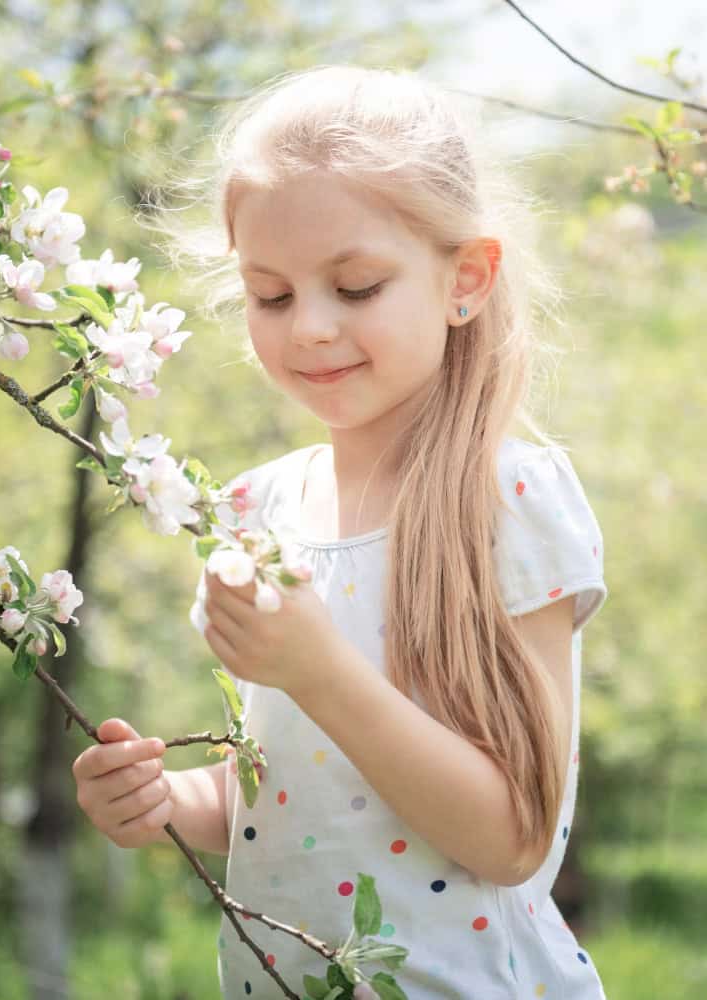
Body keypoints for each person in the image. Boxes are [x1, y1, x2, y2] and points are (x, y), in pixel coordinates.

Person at [73, 65, 609, 999]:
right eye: (271, 296)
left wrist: (318, 669)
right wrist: (168, 803)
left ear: (466, 279)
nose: (310, 328)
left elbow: (514, 837)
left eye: (356, 286)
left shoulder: (510, 496)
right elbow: (290, 802)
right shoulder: (252, 509)